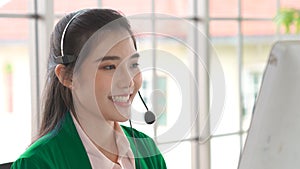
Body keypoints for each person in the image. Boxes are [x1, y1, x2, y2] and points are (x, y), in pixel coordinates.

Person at [11, 8, 167, 169]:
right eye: (109, 67)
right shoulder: (36, 164)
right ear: (67, 76)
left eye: (133, 65)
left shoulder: (148, 151)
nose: (128, 81)